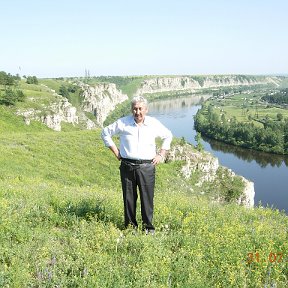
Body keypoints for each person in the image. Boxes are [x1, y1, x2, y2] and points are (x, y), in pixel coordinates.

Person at [101, 96, 173, 234]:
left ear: (146, 109)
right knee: (129, 198)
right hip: (127, 165)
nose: (137, 112)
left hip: (146, 166)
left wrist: (161, 154)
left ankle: (148, 229)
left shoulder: (153, 123)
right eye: (135, 109)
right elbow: (105, 133)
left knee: (147, 198)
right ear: (131, 110)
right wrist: (116, 152)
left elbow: (168, 135)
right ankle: (130, 228)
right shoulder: (123, 123)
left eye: (140, 109)